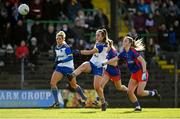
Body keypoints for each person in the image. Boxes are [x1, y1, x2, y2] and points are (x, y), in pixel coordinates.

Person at [99, 36, 161, 111]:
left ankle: (153, 93)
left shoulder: (133, 51)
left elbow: (143, 61)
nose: (123, 42)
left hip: (141, 72)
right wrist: (105, 62)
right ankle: (138, 107)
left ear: (129, 43)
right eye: (123, 41)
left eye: (125, 41)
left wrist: (144, 73)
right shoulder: (123, 52)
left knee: (140, 92)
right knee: (129, 92)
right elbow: (115, 59)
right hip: (134, 74)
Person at [68, 28, 110, 111]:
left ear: (103, 36)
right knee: (84, 65)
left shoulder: (102, 45)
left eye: (98, 35)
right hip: (92, 63)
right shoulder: (98, 43)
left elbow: (90, 52)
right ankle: (72, 75)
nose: (96, 37)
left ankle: (103, 102)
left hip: (99, 67)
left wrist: (79, 52)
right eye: (96, 35)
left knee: (97, 87)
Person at [50, 31, 87, 108]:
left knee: (73, 85)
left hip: (68, 68)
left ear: (63, 39)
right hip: (60, 67)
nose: (58, 40)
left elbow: (70, 57)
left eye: (60, 39)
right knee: (52, 83)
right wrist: (55, 62)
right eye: (57, 39)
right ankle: (57, 103)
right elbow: (57, 56)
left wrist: (60, 61)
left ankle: (83, 96)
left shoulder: (66, 47)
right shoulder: (56, 47)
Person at [92, 40, 128, 106]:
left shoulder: (113, 52)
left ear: (109, 45)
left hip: (115, 72)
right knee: (100, 85)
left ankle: (128, 90)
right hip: (107, 71)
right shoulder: (104, 51)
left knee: (119, 87)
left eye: (106, 45)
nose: (104, 46)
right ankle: (97, 100)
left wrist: (105, 62)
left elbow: (115, 64)